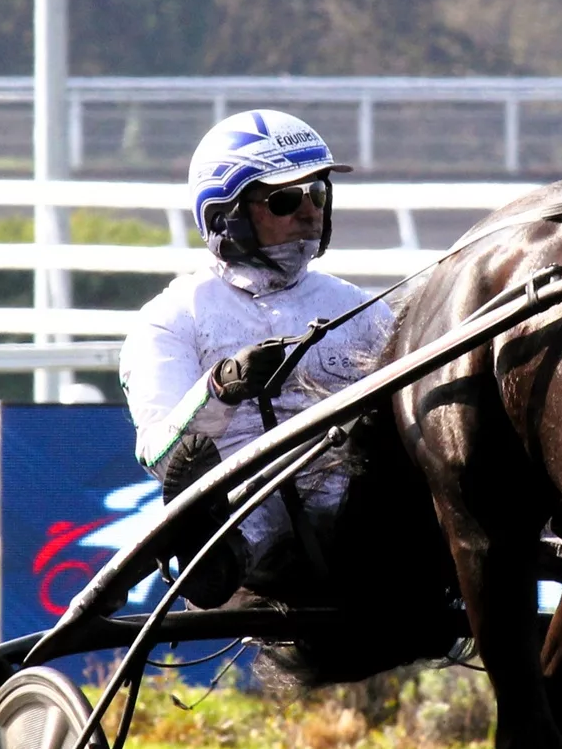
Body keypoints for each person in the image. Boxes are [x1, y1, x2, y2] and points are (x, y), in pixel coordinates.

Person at [118, 110, 395, 607]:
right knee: (252, 513)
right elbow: (159, 457)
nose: (309, 212)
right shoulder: (172, 318)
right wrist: (220, 387)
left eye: (318, 194)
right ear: (227, 215)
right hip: (248, 504)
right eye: (286, 200)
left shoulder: (358, 307)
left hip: (360, 500)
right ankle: (214, 555)